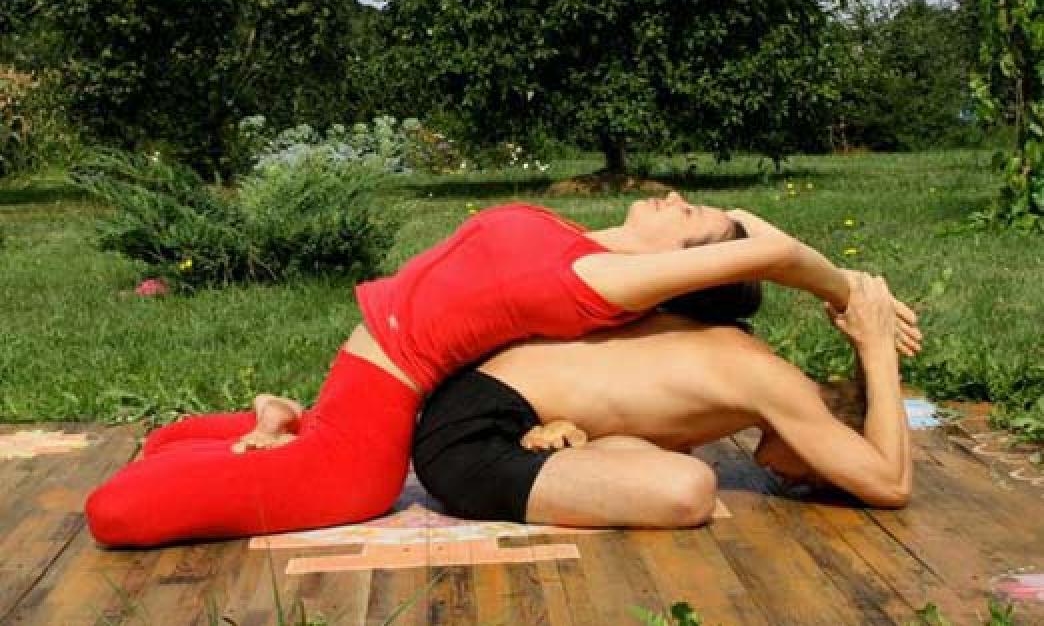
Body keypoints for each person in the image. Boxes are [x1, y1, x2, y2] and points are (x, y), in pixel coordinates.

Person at [85, 193, 920, 546]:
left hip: (406, 403)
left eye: (693, 212)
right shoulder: (605, 274)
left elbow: (753, 246)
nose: (675, 197)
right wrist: (868, 329)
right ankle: (283, 436)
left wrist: (855, 314)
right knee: (689, 488)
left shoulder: (610, 277)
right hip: (421, 437)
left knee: (678, 470)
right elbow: (887, 481)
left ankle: (268, 429)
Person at [413, 272, 915, 527]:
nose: (794, 481)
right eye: (818, 476)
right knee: (689, 486)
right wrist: (877, 349)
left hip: (480, 415)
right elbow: (890, 483)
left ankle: (555, 446)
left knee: (661, 461)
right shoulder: (774, 382)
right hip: (469, 443)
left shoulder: (740, 355)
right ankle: (553, 449)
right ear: (836, 432)